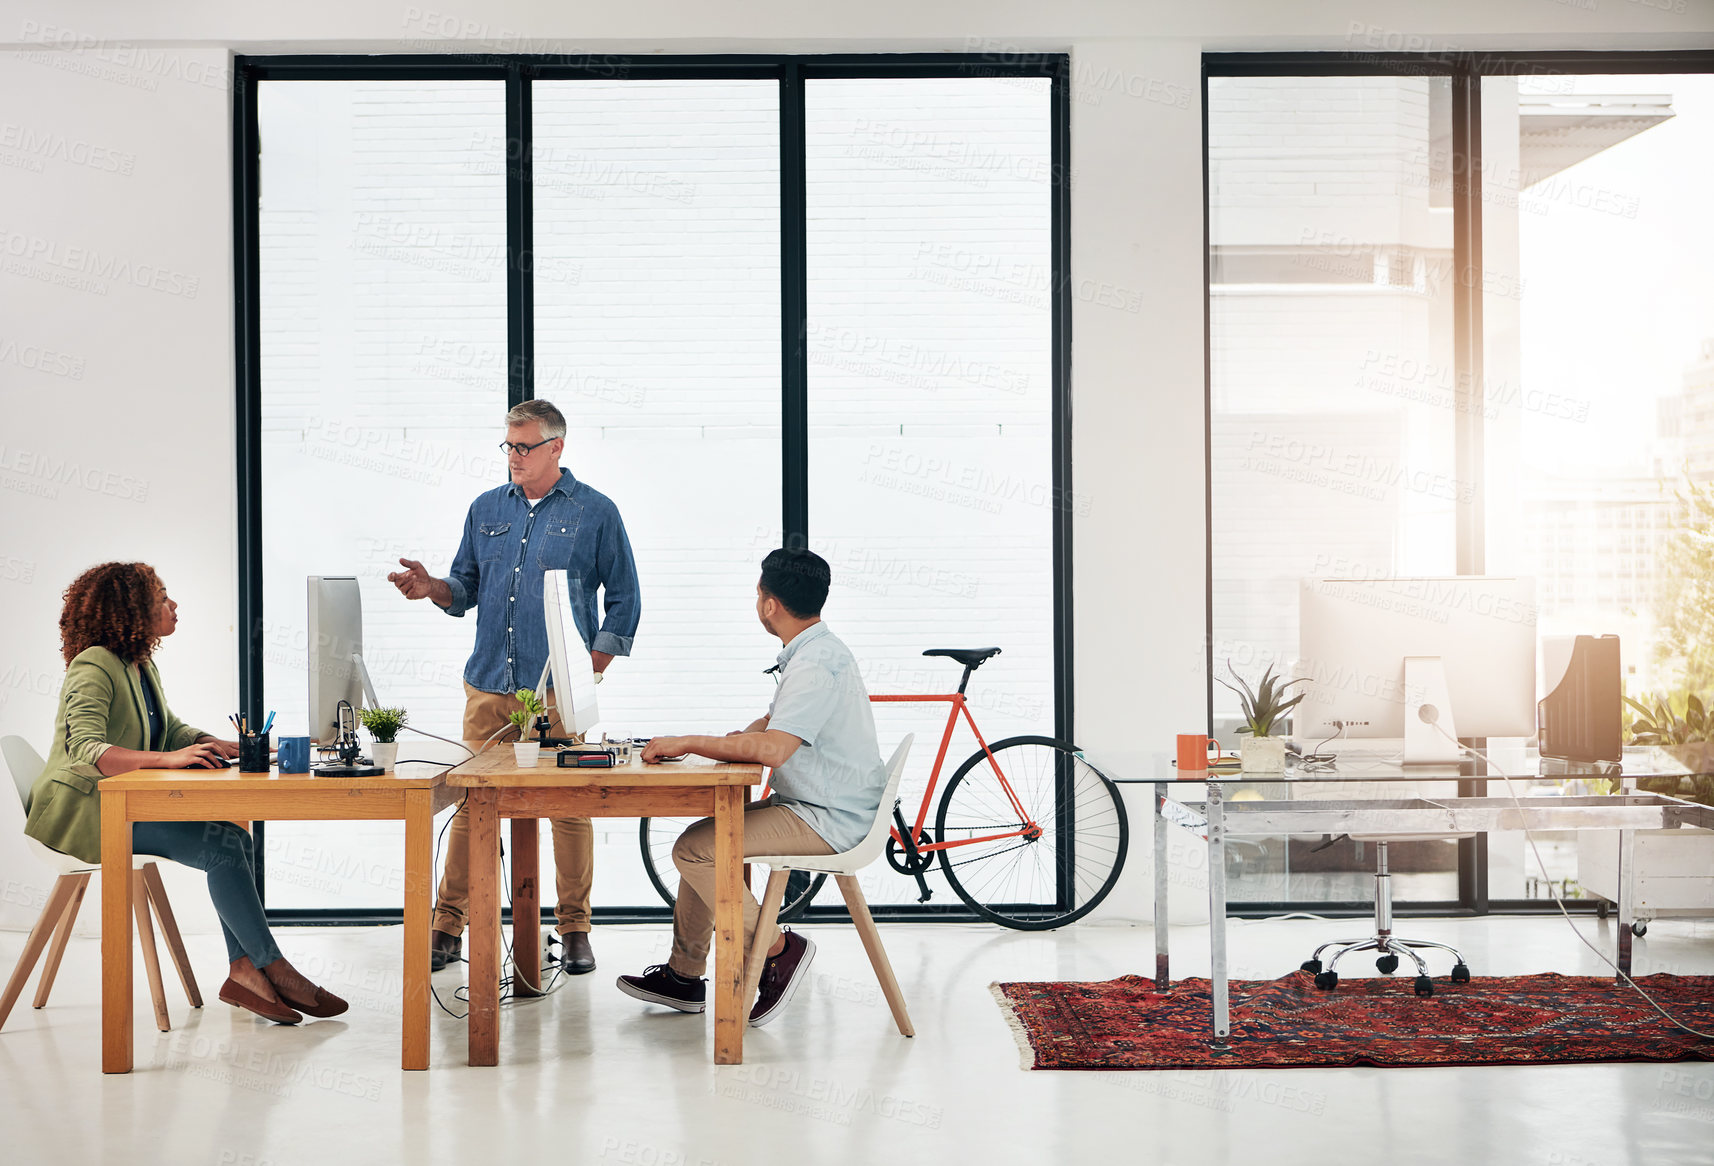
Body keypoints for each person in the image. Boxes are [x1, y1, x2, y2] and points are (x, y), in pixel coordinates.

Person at [23, 562, 348, 1025]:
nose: (173, 605)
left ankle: (243, 971)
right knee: (222, 847)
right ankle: (272, 967)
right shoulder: (93, 663)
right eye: (162, 598)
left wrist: (218, 743)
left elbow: (168, 728)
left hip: (120, 804)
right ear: (132, 610)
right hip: (84, 813)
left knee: (235, 837)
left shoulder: (138, 663)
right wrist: (170, 760)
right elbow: (86, 748)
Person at [388, 398, 640, 974]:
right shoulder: (484, 509)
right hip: (488, 687)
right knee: (472, 802)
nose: (514, 457)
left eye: (524, 446)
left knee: (568, 808)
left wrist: (590, 669)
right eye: (508, 445)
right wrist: (433, 588)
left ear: (556, 448)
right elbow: (465, 587)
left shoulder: (595, 512)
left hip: (556, 694)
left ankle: (574, 929)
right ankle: (448, 925)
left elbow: (625, 598)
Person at [617, 547, 885, 1027]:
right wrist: (733, 740)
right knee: (705, 838)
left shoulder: (815, 663)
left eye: (758, 594)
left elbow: (776, 750)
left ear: (769, 604)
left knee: (696, 850)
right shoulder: (814, 651)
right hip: (817, 803)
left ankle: (779, 950)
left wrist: (690, 741)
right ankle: (683, 978)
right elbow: (774, 723)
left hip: (830, 817)